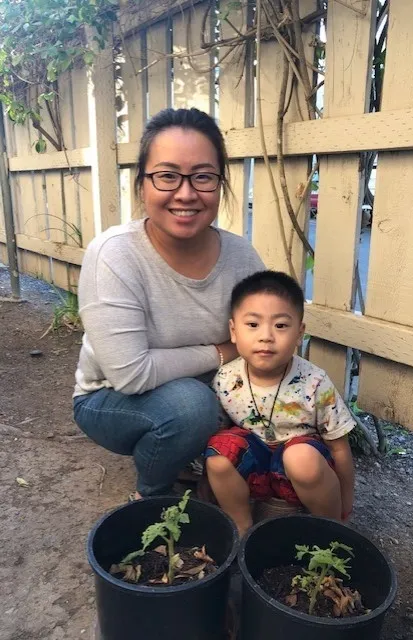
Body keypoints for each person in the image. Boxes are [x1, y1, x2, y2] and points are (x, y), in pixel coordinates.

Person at [73, 108, 264, 499]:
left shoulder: (242, 257)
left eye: (203, 176)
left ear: (220, 184)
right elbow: (131, 375)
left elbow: (262, 339)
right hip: (111, 397)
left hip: (212, 388)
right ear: (142, 184)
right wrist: (222, 351)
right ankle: (154, 495)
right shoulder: (114, 255)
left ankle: (204, 461)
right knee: (191, 406)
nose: (186, 193)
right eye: (167, 175)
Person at [205, 270, 355, 536]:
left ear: (299, 333)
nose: (266, 336)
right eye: (252, 325)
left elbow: (339, 448)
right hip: (256, 470)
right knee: (218, 451)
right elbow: (220, 438)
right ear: (233, 331)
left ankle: (329, 531)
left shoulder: (315, 383)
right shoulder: (226, 379)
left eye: (281, 326)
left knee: (300, 457)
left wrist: (345, 504)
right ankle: (240, 528)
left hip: (300, 472)